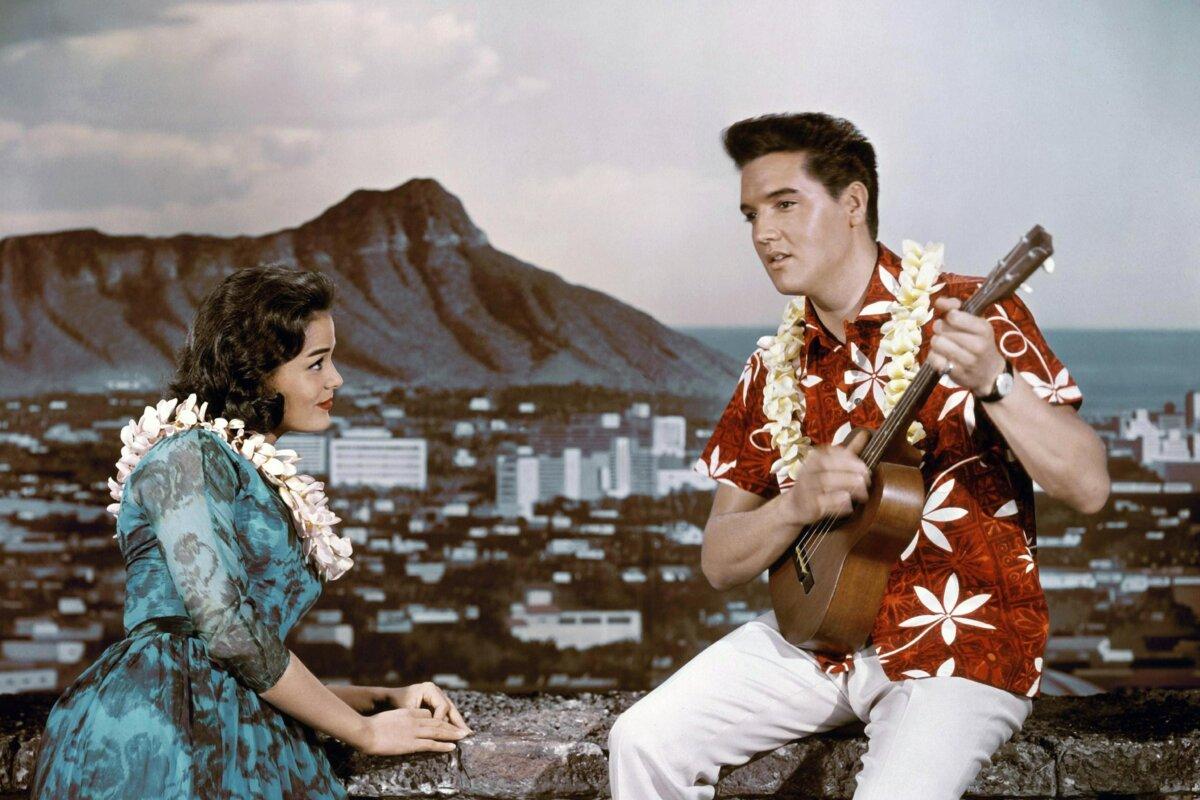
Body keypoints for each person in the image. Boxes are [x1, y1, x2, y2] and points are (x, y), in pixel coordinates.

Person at [608, 113, 1110, 800]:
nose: (763, 234)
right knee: (644, 740)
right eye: (751, 214)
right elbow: (720, 561)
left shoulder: (971, 314)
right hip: (819, 638)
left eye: (785, 205)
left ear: (852, 203)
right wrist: (794, 506)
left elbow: (1088, 486)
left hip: (959, 648)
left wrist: (995, 382)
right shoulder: (772, 367)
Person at [33, 265, 471, 799]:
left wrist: (384, 699)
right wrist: (366, 733)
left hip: (229, 723)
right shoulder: (188, 455)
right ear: (258, 371)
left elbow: (240, 670)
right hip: (159, 731)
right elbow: (226, 633)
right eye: (317, 363)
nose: (336, 379)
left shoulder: (241, 465)